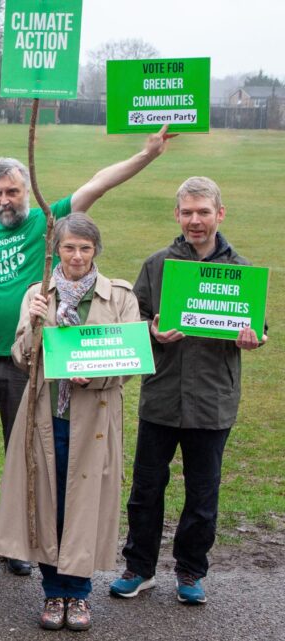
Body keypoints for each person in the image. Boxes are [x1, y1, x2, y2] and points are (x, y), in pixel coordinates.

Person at [0, 127, 175, 575]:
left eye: (13, 190)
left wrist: (146, 154)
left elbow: (98, 183)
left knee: (31, 459)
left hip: (30, 366)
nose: (5, 199)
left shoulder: (47, 223)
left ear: (27, 190)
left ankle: (21, 546)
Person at [110, 177, 267, 605]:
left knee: (202, 494)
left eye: (203, 212)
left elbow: (256, 327)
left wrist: (252, 339)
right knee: (145, 489)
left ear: (220, 213)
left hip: (213, 401)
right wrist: (152, 332)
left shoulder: (241, 270)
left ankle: (191, 571)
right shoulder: (157, 264)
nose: (195, 221)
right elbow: (133, 320)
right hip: (161, 396)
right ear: (176, 214)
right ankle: (139, 567)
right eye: (187, 212)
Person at [0, 214, 139, 631]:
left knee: (84, 507)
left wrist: (92, 374)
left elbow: (128, 359)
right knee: (47, 501)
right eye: (69, 247)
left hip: (94, 418)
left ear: (96, 251)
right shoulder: (38, 292)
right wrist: (35, 322)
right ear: (57, 249)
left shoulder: (120, 297)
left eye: (85, 248)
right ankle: (52, 592)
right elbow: (22, 359)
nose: (76, 256)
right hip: (46, 414)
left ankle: (78, 596)